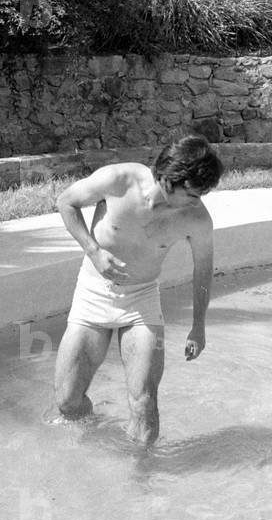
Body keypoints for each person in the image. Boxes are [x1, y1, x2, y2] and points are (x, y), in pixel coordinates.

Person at [53, 135, 223, 445]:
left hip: (141, 301)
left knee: (144, 404)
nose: (199, 202)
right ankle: (94, 435)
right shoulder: (119, 180)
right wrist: (93, 251)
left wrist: (198, 327)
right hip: (93, 294)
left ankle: (142, 482)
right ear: (169, 182)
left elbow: (203, 270)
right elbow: (66, 203)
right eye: (193, 195)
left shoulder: (197, 219)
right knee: (67, 401)